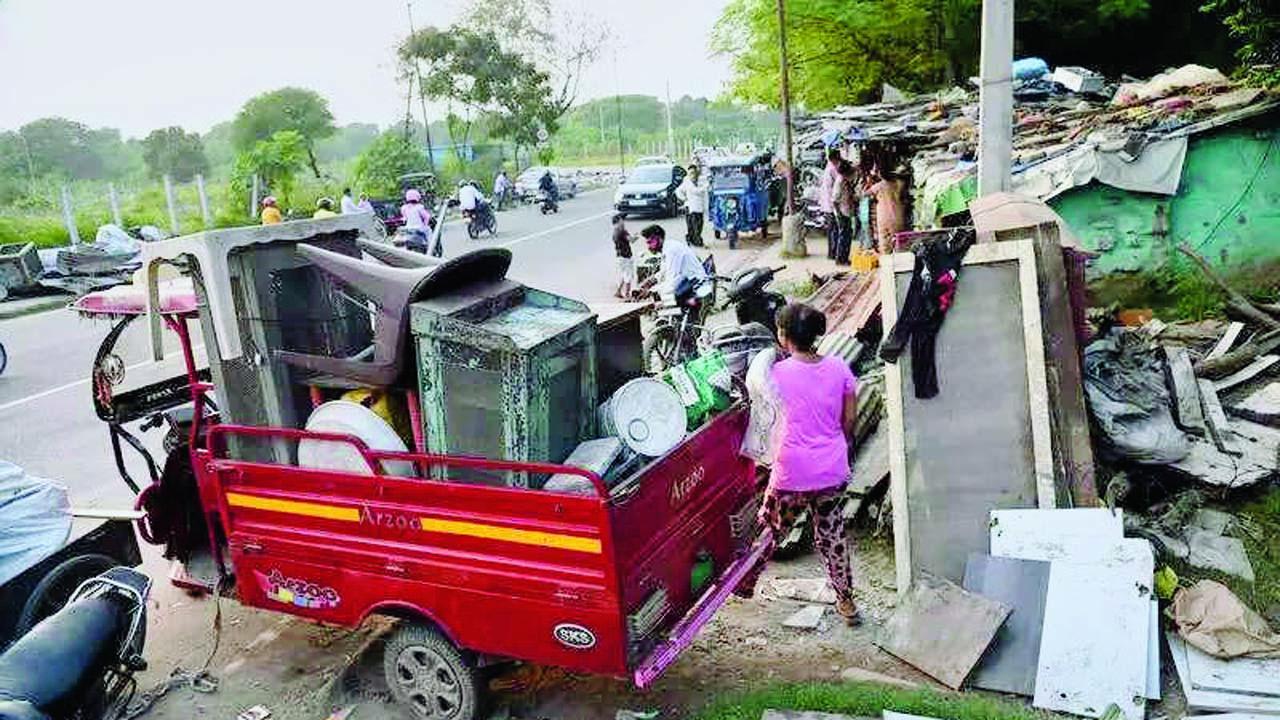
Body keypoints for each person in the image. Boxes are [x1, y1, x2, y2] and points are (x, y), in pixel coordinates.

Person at [739, 302, 860, 623]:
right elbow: (850, 419)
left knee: (770, 529)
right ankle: (846, 601)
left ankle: (745, 585)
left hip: (790, 472)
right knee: (832, 534)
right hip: (831, 470)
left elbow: (764, 424)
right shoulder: (839, 368)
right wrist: (837, 445)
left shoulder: (774, 375)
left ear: (783, 335)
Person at [638, 224, 706, 305]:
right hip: (686, 280)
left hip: (694, 283)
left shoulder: (671, 251)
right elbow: (664, 270)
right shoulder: (667, 248)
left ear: (660, 239)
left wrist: (651, 291)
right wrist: (650, 281)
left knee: (663, 302)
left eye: (651, 242)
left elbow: (672, 281)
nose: (649, 247)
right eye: (647, 243)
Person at [866, 164, 906, 254]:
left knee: (884, 240)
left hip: (883, 216)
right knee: (897, 241)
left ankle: (885, 259)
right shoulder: (898, 184)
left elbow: (866, 194)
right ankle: (897, 260)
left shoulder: (879, 186)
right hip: (897, 215)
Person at [832, 160, 859, 266]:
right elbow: (834, 200)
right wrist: (839, 215)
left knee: (847, 236)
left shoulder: (844, 180)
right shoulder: (840, 182)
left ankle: (844, 258)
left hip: (846, 211)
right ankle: (840, 259)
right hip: (842, 213)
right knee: (844, 236)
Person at [817, 148, 842, 260]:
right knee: (834, 230)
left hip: (827, 204)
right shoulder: (833, 169)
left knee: (831, 230)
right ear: (836, 158)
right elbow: (837, 187)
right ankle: (833, 253)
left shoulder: (828, 168)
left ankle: (831, 253)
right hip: (831, 204)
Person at [675, 164, 707, 247]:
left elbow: (703, 192)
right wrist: (684, 198)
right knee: (692, 226)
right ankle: (695, 241)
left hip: (699, 207)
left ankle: (694, 239)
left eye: (693, 172)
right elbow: (678, 191)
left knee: (698, 225)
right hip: (690, 207)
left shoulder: (701, 181)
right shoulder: (686, 182)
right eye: (690, 173)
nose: (692, 175)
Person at [400, 188, 433, 254]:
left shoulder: (404, 208)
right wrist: (425, 225)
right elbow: (427, 217)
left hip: (409, 228)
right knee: (429, 232)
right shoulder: (419, 207)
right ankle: (430, 247)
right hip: (419, 228)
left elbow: (405, 217)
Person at [611, 213, 634, 299]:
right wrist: (636, 236)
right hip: (626, 256)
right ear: (618, 221)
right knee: (628, 275)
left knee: (624, 275)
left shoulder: (615, 232)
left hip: (620, 256)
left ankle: (618, 291)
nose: (623, 222)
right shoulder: (622, 231)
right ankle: (627, 295)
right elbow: (631, 240)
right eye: (622, 220)